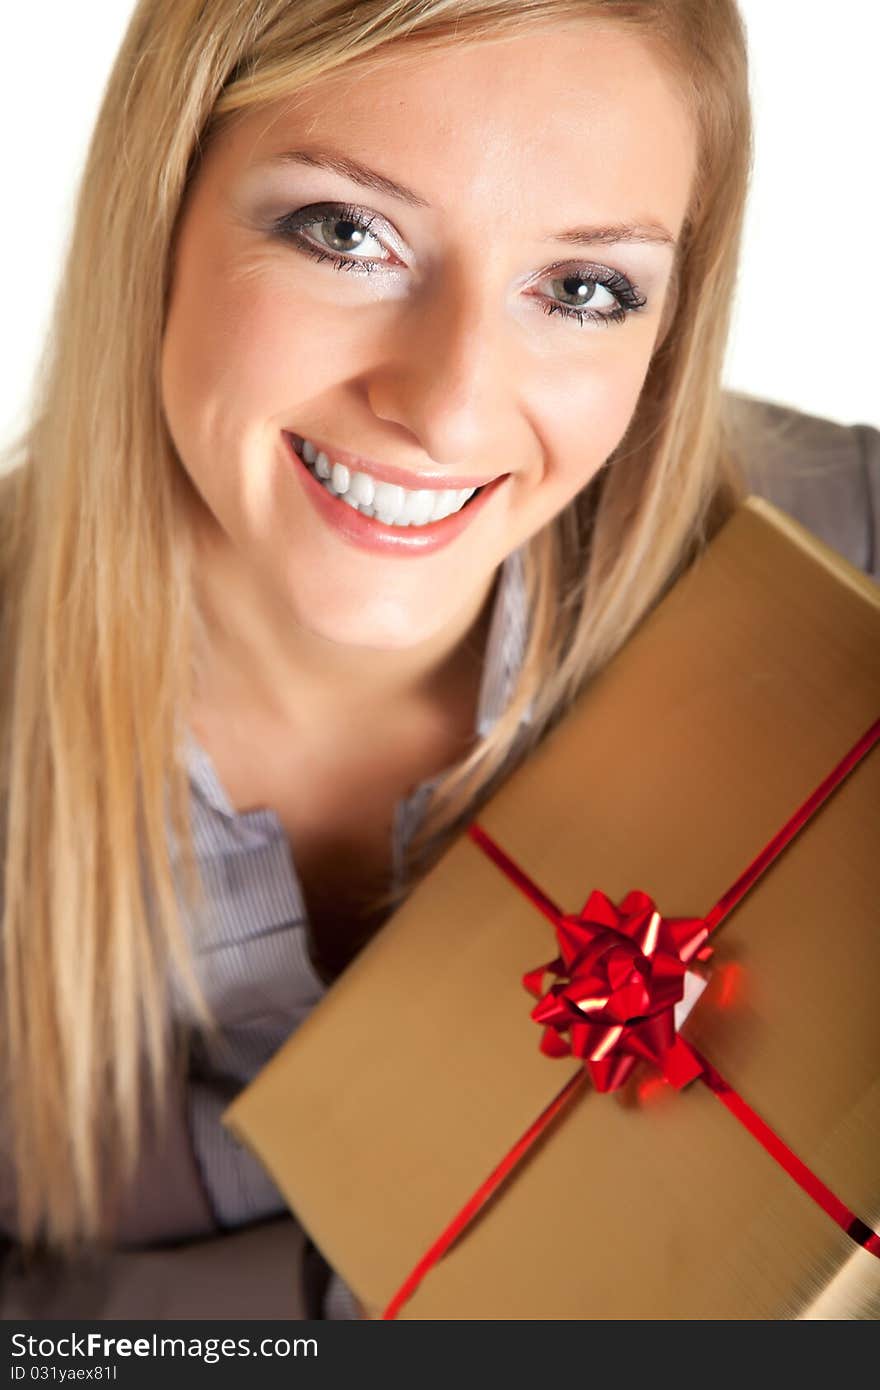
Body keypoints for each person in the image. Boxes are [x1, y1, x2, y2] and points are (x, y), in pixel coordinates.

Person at [0, 0, 876, 1320]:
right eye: (347, 233)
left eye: (584, 288)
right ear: (162, 205)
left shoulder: (856, 551)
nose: (451, 402)